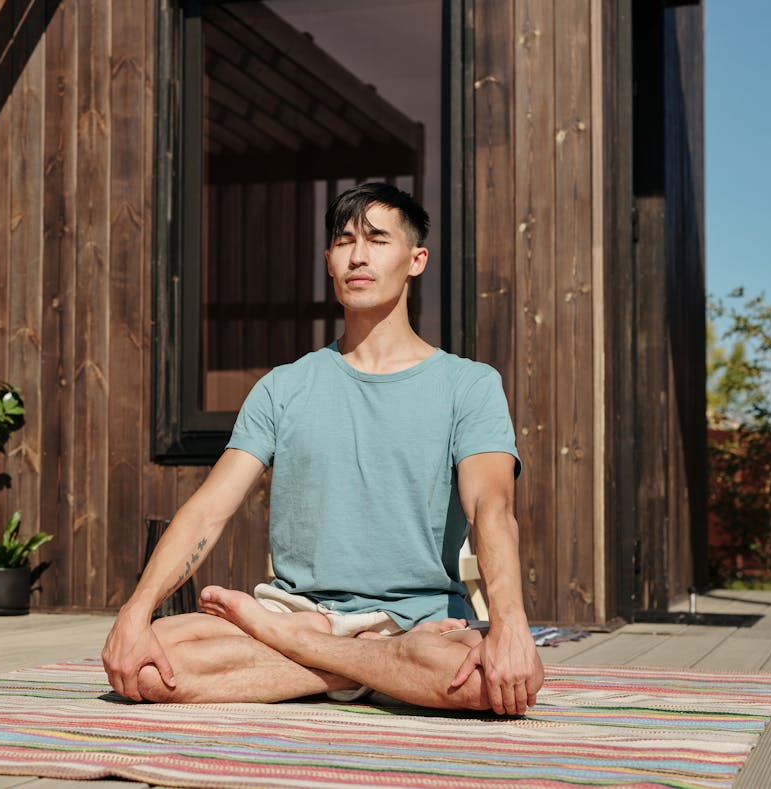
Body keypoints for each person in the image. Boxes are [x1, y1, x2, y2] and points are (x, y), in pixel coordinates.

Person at [102, 182, 544, 714]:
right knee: (148, 663)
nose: (358, 255)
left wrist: (512, 624)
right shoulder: (283, 387)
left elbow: (490, 508)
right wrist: (135, 611)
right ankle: (370, 669)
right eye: (344, 241)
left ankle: (313, 654)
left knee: (493, 682)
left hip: (417, 622)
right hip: (296, 608)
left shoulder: (469, 385)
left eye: (378, 240)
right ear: (328, 262)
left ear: (416, 260)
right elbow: (208, 510)